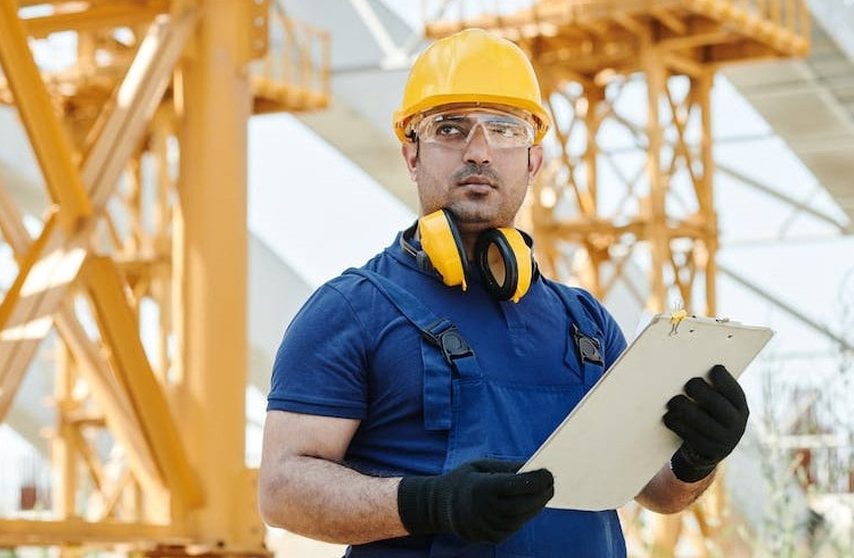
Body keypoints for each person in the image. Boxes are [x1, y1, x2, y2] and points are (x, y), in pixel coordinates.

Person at [257, 28, 749, 558]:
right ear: (411, 156)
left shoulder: (585, 323)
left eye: (504, 130)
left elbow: (658, 493)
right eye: (449, 129)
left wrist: (698, 457)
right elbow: (282, 491)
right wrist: (431, 504)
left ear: (533, 161)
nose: (480, 152)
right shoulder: (351, 311)